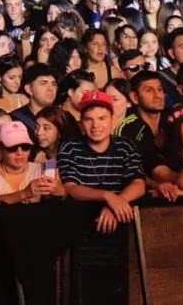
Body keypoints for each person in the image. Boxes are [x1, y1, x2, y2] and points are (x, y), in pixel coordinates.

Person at [58, 89, 146, 305]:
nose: (95, 125)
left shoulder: (125, 146)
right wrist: (107, 196)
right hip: (82, 235)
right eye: (88, 119)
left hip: (120, 235)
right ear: (81, 122)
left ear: (113, 120)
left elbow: (138, 184)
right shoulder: (70, 147)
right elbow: (71, 187)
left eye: (101, 118)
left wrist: (117, 203)